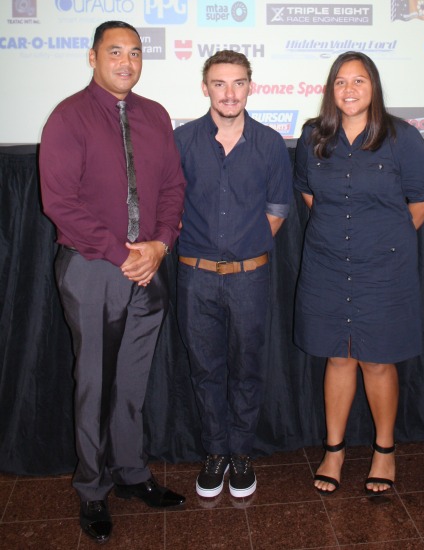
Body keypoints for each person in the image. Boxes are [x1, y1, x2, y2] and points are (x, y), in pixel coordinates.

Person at [39, 20, 186, 544]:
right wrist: (120, 252)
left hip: (148, 268)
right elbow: (59, 203)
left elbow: (172, 187)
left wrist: (161, 245)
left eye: (135, 53)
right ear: (93, 56)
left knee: (132, 380)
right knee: (93, 383)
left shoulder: (156, 116)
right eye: (115, 51)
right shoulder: (67, 117)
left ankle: (131, 473)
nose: (127, 61)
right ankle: (92, 488)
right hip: (93, 268)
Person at [294, 51, 424, 495]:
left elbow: (422, 199)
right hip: (327, 264)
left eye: (359, 81)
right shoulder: (313, 137)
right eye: (340, 81)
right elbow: (307, 192)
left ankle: (384, 451)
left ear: (373, 86)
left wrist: (383, 238)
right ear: (330, 89)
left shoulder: (402, 137)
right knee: (337, 356)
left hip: (384, 269)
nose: (349, 89)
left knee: (377, 361)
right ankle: (333, 451)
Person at [174, 50, 292, 499]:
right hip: (195, 276)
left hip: (250, 277)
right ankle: (216, 452)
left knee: (247, 368)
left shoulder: (268, 143)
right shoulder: (181, 140)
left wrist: (247, 244)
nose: (229, 92)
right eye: (219, 84)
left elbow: (279, 207)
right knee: (205, 369)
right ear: (205, 88)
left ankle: (241, 453)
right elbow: (169, 203)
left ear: (250, 86)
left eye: (238, 83)